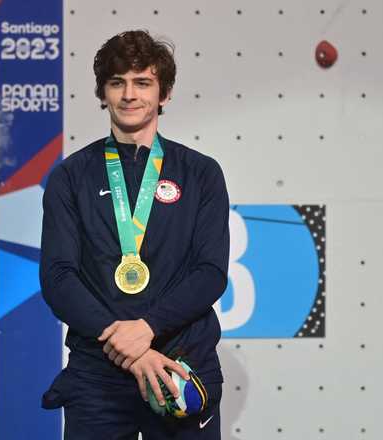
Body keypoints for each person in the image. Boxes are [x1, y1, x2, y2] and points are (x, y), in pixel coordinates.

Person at [39, 29, 230, 439]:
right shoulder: (70, 177)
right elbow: (58, 277)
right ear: (103, 93)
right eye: (117, 82)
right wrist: (129, 347)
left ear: (164, 94)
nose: (129, 94)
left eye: (142, 82)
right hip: (99, 375)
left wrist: (146, 329)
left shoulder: (201, 173)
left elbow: (210, 271)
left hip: (181, 365)